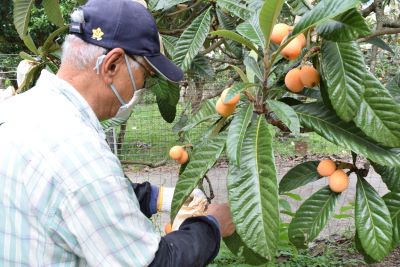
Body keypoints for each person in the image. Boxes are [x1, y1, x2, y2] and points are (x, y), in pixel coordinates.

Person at [0, 0, 235, 266]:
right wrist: (212, 224)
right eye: (144, 76)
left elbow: (70, 199)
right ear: (111, 65)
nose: (141, 88)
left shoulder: (16, 111)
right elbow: (155, 262)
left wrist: (160, 198)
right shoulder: (82, 157)